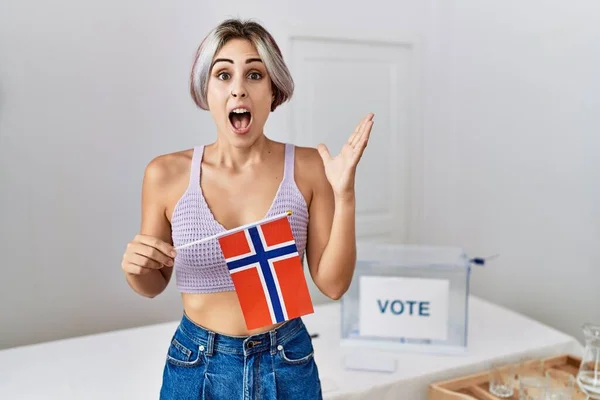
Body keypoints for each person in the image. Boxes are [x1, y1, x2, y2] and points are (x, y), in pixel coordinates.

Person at [121, 18, 374, 400]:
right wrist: (135, 268)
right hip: (197, 362)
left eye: (254, 75)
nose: (238, 88)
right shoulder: (165, 174)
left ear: (273, 91)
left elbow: (334, 285)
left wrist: (346, 194)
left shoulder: (309, 167)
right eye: (223, 74)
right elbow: (153, 285)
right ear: (206, 91)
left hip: (285, 359)